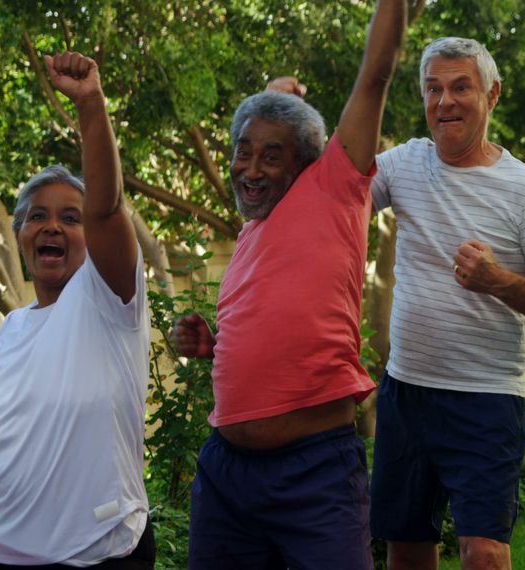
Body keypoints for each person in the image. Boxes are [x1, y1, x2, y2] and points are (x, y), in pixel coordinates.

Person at [171, 1, 406, 568]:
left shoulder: (335, 189)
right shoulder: (253, 231)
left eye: (270, 156)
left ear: (306, 162)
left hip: (314, 474)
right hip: (226, 474)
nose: (250, 168)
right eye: (242, 152)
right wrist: (214, 346)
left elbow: (377, 69)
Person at [0, 52, 155, 569]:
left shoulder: (109, 299)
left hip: (93, 555)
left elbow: (108, 207)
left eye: (70, 218)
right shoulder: (13, 330)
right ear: (21, 237)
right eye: (37, 217)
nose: (52, 226)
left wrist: (91, 104)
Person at [367, 37, 525, 570]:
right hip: (407, 391)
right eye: (433, 89)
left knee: (484, 553)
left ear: (492, 94)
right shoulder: (402, 165)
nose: (445, 102)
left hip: (484, 400)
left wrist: (499, 281)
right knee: (407, 547)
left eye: (461, 86)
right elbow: (333, 194)